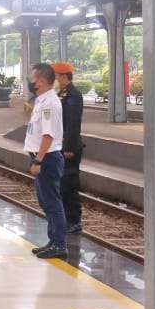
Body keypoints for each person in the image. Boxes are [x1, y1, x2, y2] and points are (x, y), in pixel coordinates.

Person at [23, 62, 68, 261]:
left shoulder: (49, 103)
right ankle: (53, 241)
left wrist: (38, 161)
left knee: (52, 202)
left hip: (47, 158)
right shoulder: (42, 100)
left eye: (32, 79)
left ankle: (59, 244)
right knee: (46, 201)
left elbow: (48, 136)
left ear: (40, 81)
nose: (29, 82)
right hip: (42, 157)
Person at [54, 62, 85, 237]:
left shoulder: (74, 95)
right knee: (61, 184)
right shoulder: (61, 94)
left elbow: (73, 125)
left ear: (65, 77)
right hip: (59, 146)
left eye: (57, 76)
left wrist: (68, 148)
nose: (55, 79)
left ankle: (74, 221)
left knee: (69, 185)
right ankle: (65, 217)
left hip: (69, 149)